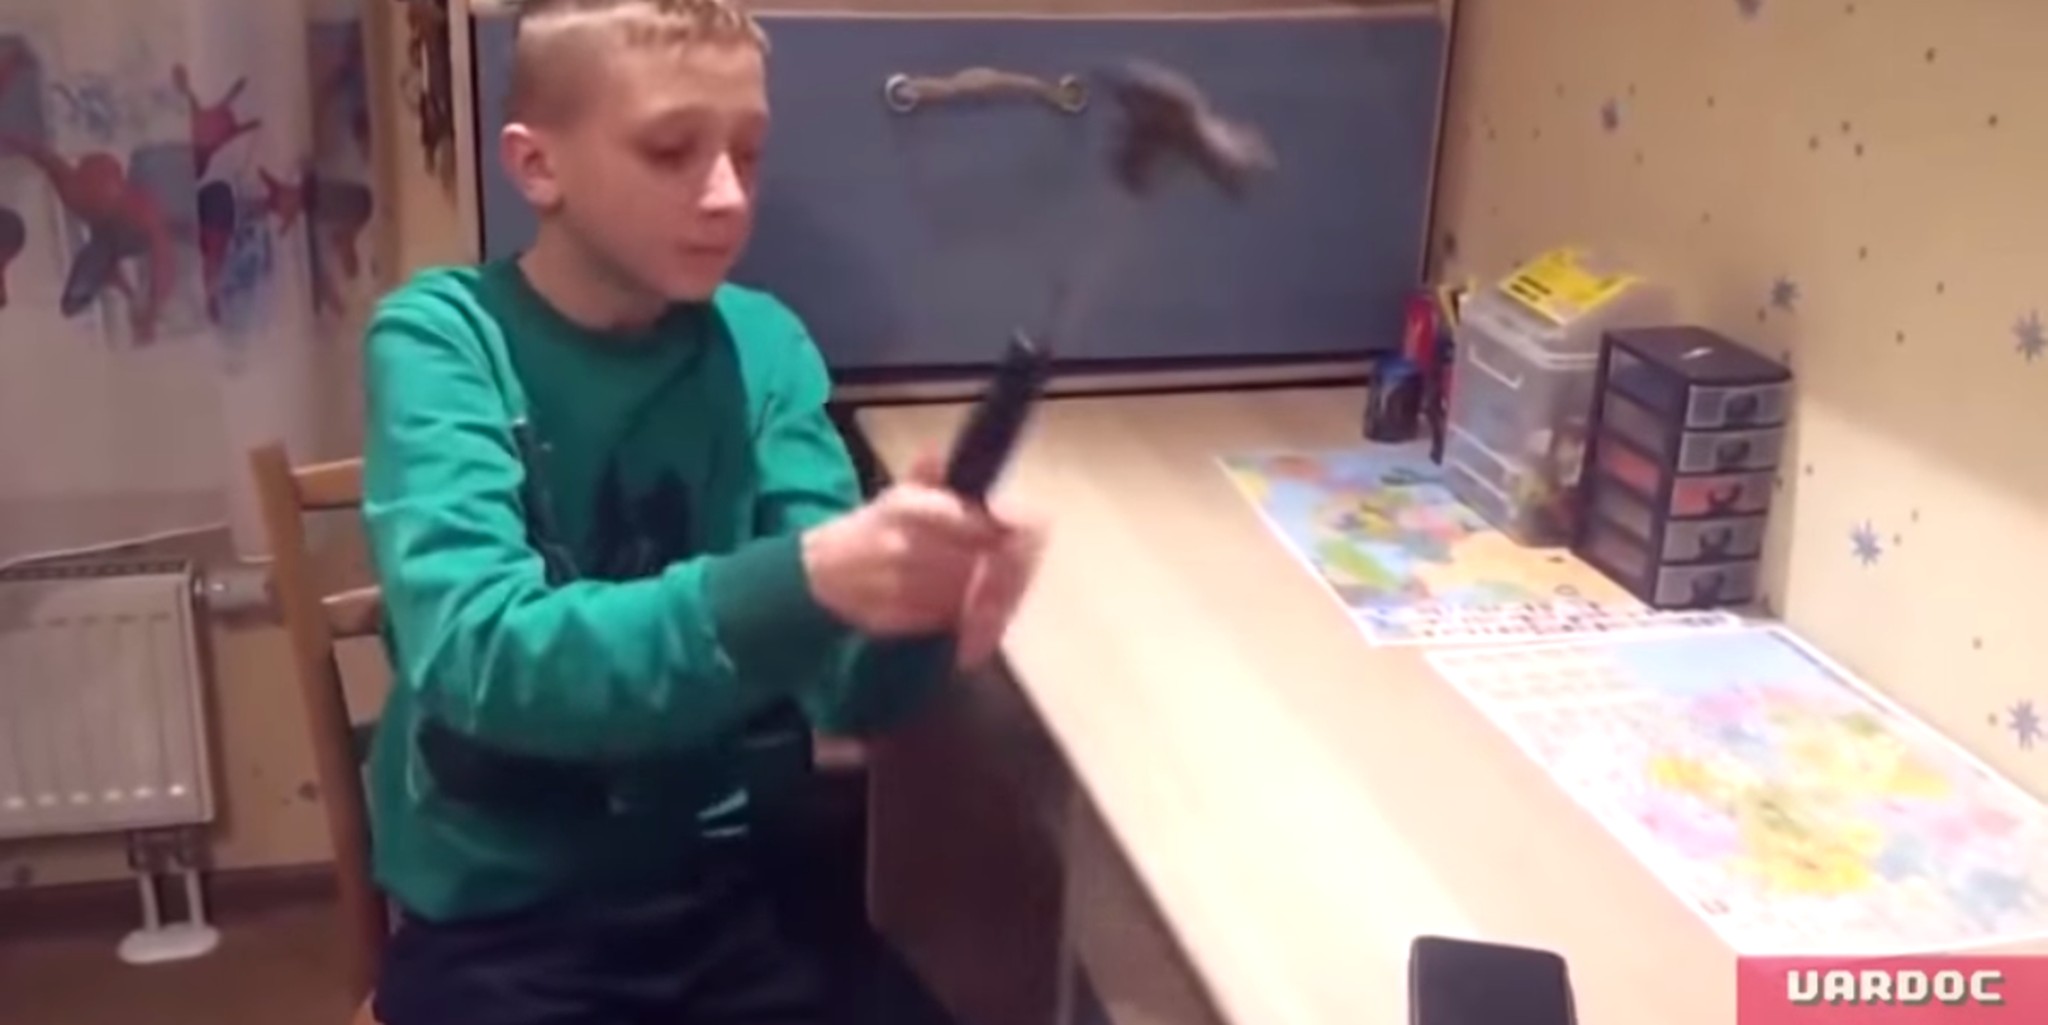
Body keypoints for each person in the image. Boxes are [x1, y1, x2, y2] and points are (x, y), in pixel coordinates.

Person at [357, 0, 1044, 1021]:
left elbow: (848, 694)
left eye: (748, 154)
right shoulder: (443, 338)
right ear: (537, 166)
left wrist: (920, 606)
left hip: (731, 893)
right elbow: (477, 654)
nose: (725, 195)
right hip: (508, 920)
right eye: (670, 150)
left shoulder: (763, 345)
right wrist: (803, 578)